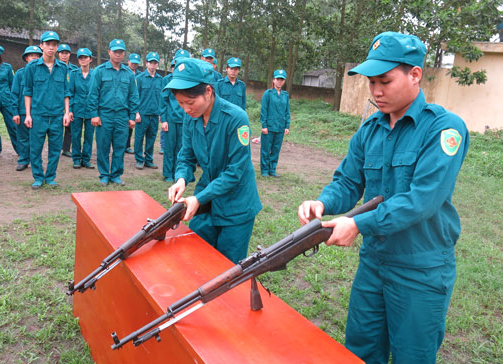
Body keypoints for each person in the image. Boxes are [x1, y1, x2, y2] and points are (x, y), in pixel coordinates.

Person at [297, 32, 469, 364]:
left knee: (412, 357)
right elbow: (348, 181)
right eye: (371, 82)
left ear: (415, 74)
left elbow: (421, 200)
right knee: (360, 350)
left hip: (420, 268)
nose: (376, 91)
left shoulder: (444, 129)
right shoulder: (370, 130)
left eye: (385, 81)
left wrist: (357, 224)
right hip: (374, 264)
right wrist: (323, 203)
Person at [166, 58, 262, 264]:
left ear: (208, 91)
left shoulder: (236, 118)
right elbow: (186, 155)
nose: (186, 109)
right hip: (207, 201)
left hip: (236, 206)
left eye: (190, 102)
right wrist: (181, 179)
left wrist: (199, 198)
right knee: (197, 258)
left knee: (227, 269)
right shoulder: (190, 117)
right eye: (180, 103)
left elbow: (234, 172)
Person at [23, 31, 71, 190]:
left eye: (54, 44)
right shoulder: (32, 67)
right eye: (48, 44)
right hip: (38, 115)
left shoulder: (63, 68)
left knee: (55, 149)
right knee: (35, 148)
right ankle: (38, 177)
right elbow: (27, 91)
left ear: (57, 47)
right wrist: (28, 115)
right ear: (41, 45)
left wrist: (66, 113)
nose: (51, 47)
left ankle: (50, 177)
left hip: (57, 116)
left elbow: (66, 92)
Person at [87, 39, 139, 186]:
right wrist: (94, 114)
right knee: (103, 146)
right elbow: (92, 94)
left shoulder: (128, 74)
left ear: (123, 54)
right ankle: (104, 174)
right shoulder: (99, 71)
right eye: (115, 51)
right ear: (109, 52)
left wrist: (132, 116)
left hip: (122, 116)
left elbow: (133, 96)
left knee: (119, 147)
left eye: (120, 52)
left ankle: (116, 175)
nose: (117, 54)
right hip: (104, 115)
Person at [10, 45, 43, 171]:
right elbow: (14, 94)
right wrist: (15, 112)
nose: (34, 58)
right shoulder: (19, 74)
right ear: (26, 58)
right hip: (23, 111)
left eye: (37, 56)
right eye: (31, 56)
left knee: (37, 138)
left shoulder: (44, 73)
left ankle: (35, 161)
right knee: (23, 138)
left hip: (39, 112)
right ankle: (23, 160)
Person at [134, 52, 162, 170]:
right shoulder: (139, 78)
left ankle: (149, 159)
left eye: (155, 63)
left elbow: (161, 97)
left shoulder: (160, 79)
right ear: (146, 63)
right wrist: (136, 112)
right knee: (139, 137)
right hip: (142, 114)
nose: (153, 65)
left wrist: (161, 113)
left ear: (157, 64)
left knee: (151, 137)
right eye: (151, 62)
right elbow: (134, 96)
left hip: (154, 114)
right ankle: (139, 160)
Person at [160, 57, 186, 182]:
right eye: (174, 66)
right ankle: (168, 174)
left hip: (185, 119)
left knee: (181, 148)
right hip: (170, 119)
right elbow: (163, 100)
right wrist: (164, 120)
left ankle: (178, 173)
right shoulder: (167, 80)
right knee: (169, 147)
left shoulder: (189, 81)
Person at [260, 69, 290, 177]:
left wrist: (287, 126)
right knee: (266, 149)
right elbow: (264, 110)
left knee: (276, 149)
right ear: (274, 80)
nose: (279, 82)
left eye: (282, 80)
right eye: (278, 79)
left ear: (284, 81)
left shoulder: (285, 95)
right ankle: (264, 170)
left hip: (280, 127)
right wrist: (264, 125)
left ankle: (272, 169)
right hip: (269, 126)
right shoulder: (268, 94)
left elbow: (287, 111)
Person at [69, 47, 95, 169]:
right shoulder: (74, 74)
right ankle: (76, 159)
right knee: (76, 135)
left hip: (91, 110)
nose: (83, 60)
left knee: (89, 135)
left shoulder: (95, 74)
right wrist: (70, 110)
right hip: (77, 109)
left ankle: (86, 159)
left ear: (90, 59)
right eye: (80, 58)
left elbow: (97, 93)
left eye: (85, 57)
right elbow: (70, 93)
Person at [58, 43, 78, 158]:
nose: (64, 55)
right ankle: (56, 147)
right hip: (57, 100)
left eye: (66, 53)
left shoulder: (74, 70)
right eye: (62, 53)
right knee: (57, 125)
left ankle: (66, 148)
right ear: (58, 54)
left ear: (69, 55)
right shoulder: (55, 67)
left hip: (70, 100)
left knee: (70, 126)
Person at [125, 53, 142, 154]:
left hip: (134, 102)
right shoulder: (124, 72)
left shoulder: (140, 75)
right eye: (132, 63)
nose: (134, 65)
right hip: (124, 103)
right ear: (128, 62)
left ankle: (127, 145)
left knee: (131, 125)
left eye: (136, 63)